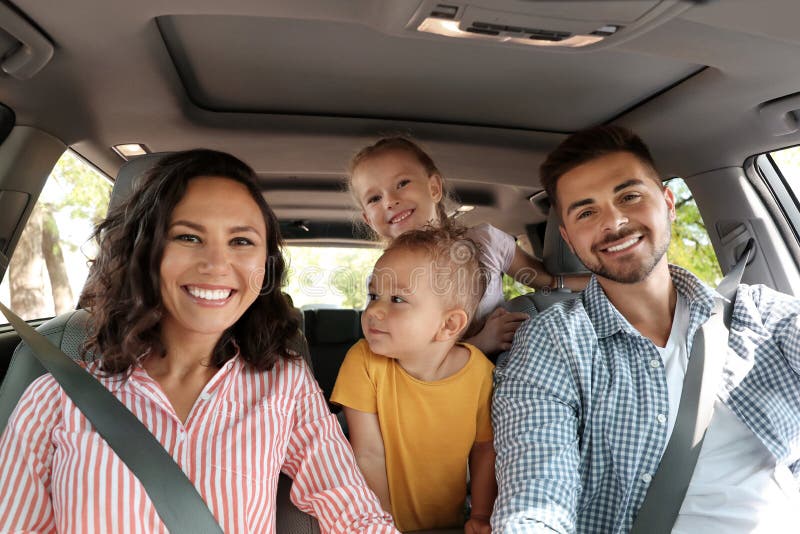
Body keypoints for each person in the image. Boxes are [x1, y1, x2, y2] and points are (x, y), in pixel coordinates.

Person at [0, 150, 398, 533]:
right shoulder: (55, 397)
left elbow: (355, 516)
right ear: (145, 252)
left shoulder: (285, 386)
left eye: (241, 241)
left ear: (265, 266)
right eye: (188, 237)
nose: (216, 265)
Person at [492, 125, 800, 533]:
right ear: (569, 238)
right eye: (586, 212)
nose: (614, 222)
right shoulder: (551, 345)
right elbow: (535, 499)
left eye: (629, 196)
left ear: (668, 204)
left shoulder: (761, 315)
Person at [348, 136, 588, 356]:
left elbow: (551, 283)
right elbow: (403, 360)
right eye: (374, 198)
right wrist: (480, 343)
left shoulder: (486, 243)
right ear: (368, 219)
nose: (390, 201)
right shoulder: (383, 281)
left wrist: (615, 285)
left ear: (434, 188)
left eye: (402, 183)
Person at [331, 226, 497, 533]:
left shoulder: (480, 374)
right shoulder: (363, 361)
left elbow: (485, 449)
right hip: (379, 519)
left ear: (449, 324)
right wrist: (381, 523)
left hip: (451, 523)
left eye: (396, 299)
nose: (373, 310)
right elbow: (367, 452)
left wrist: (482, 515)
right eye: (373, 295)